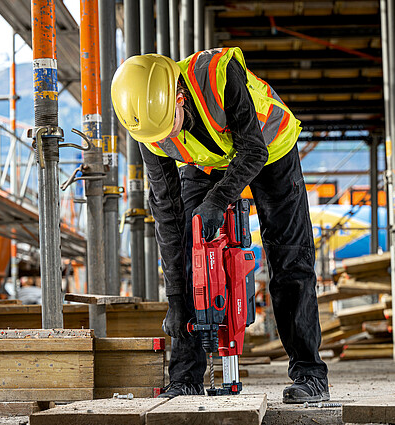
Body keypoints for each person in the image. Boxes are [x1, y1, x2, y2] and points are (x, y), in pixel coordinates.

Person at [111, 48, 329, 403]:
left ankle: (310, 373)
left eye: (171, 127)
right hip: (208, 160)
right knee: (189, 252)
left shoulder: (217, 75)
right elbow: (167, 211)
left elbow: (253, 152)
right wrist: (177, 299)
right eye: (159, 136)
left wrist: (217, 200)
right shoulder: (147, 127)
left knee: (289, 256)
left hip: (269, 146)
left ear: (179, 97)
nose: (166, 139)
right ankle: (185, 377)